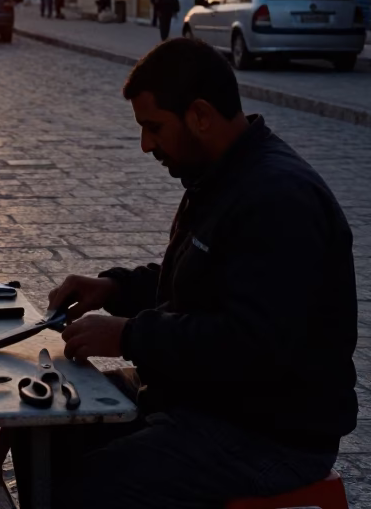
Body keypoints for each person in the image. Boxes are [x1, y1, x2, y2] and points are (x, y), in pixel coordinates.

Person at [26, 38, 355, 508]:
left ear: (200, 115)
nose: (145, 145)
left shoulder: (278, 198)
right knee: (46, 418)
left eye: (154, 127)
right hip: (204, 400)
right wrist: (116, 287)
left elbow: (251, 345)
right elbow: (202, 279)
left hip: (271, 432)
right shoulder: (219, 175)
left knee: (91, 486)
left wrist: (129, 336)